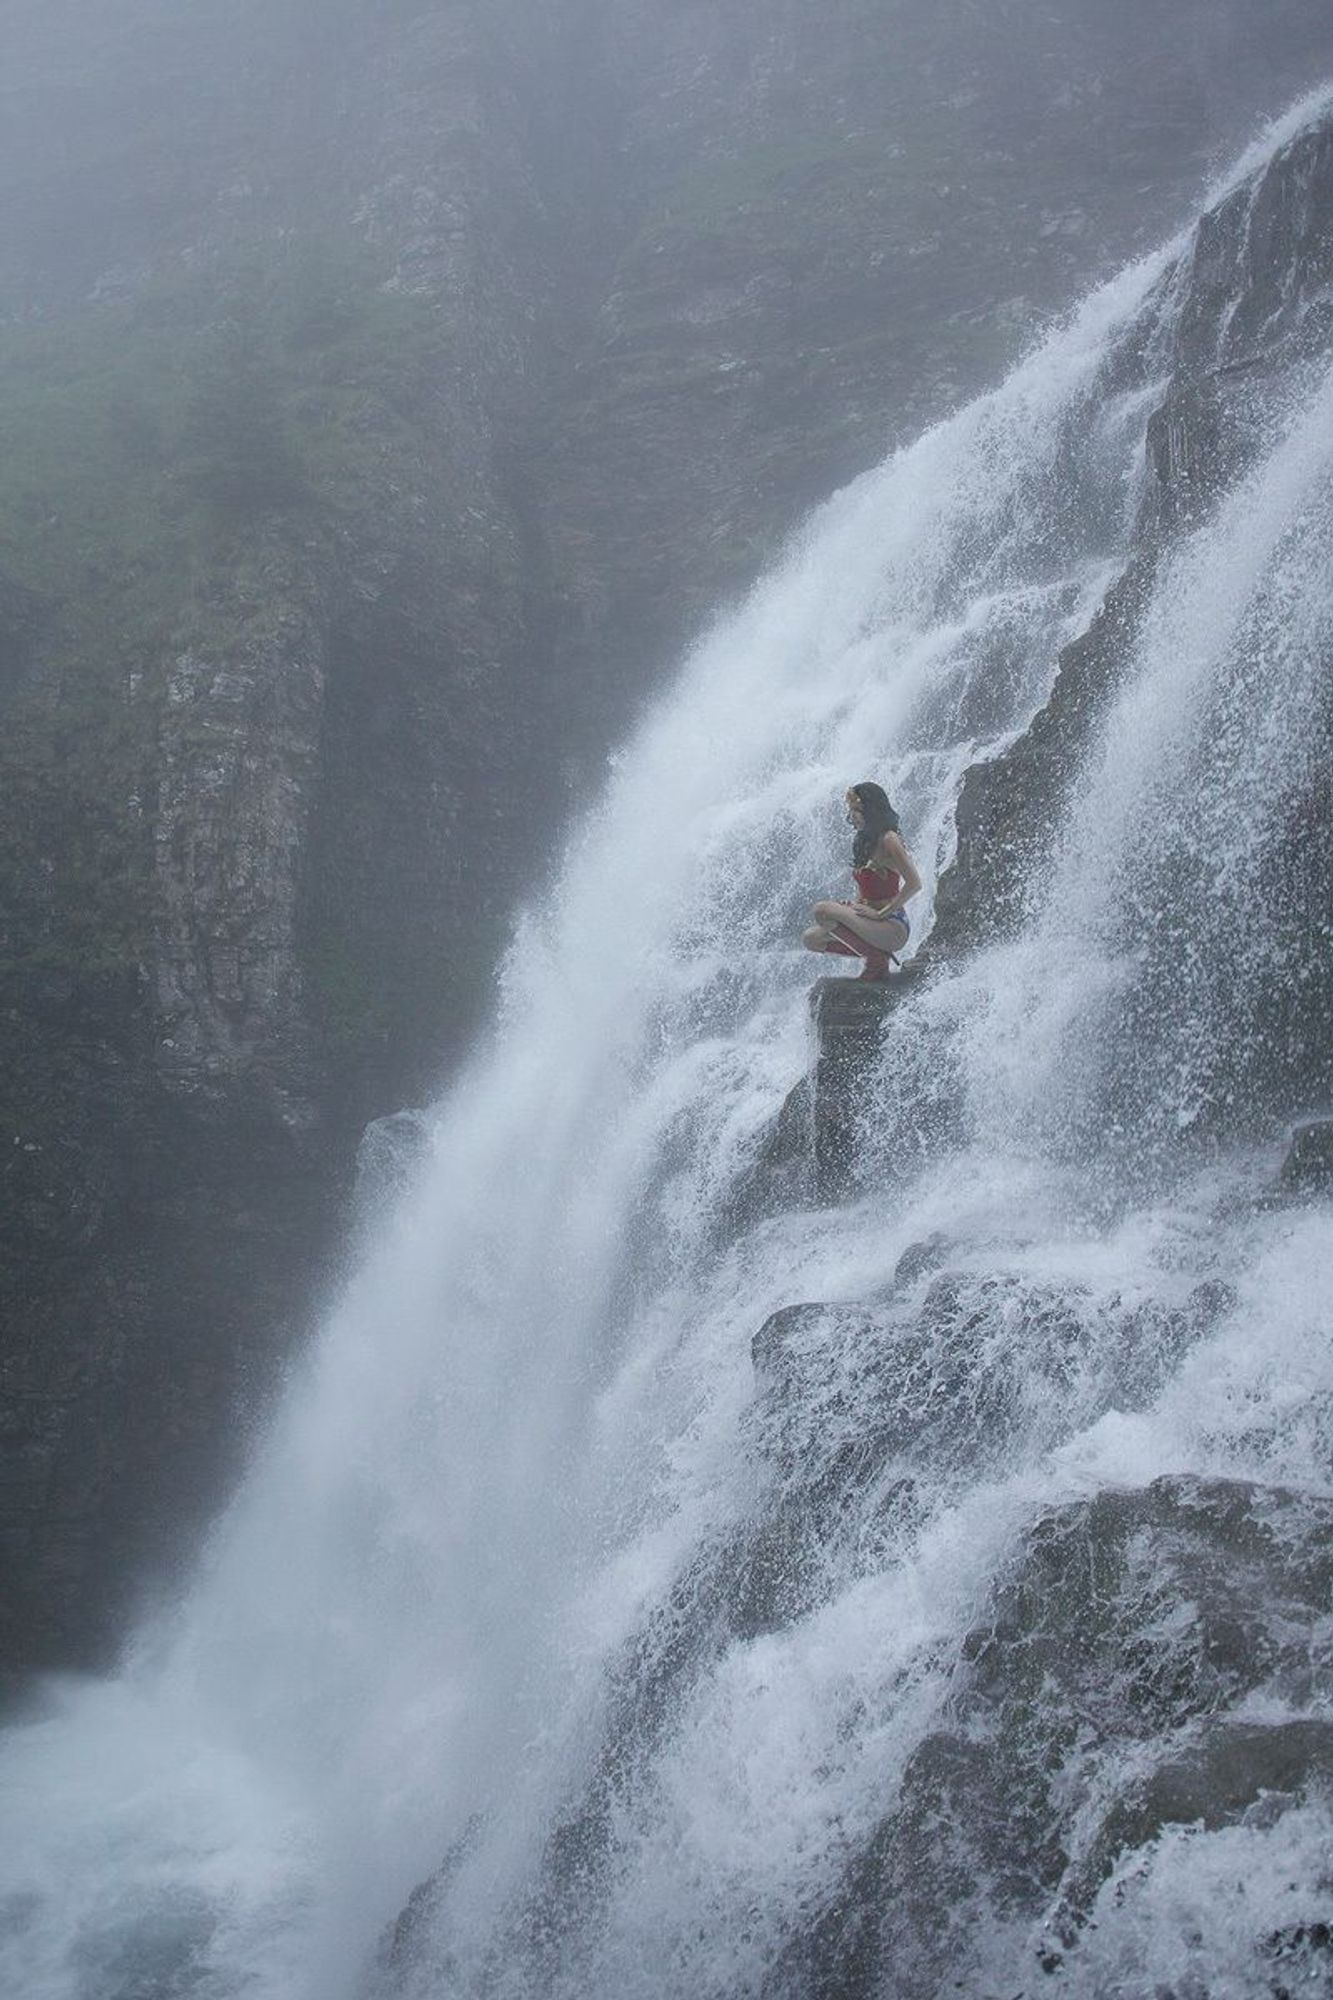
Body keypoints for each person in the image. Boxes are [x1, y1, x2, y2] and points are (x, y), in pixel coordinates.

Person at [802, 781, 922, 981]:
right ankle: (877, 955)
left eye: (857, 809)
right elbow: (866, 889)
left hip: (891, 925)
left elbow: (915, 884)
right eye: (851, 810)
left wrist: (880, 914)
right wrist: (854, 905)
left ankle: (876, 960)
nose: (852, 815)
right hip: (868, 923)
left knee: (821, 910)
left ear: (871, 808)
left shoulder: (890, 839)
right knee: (811, 939)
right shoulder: (864, 842)